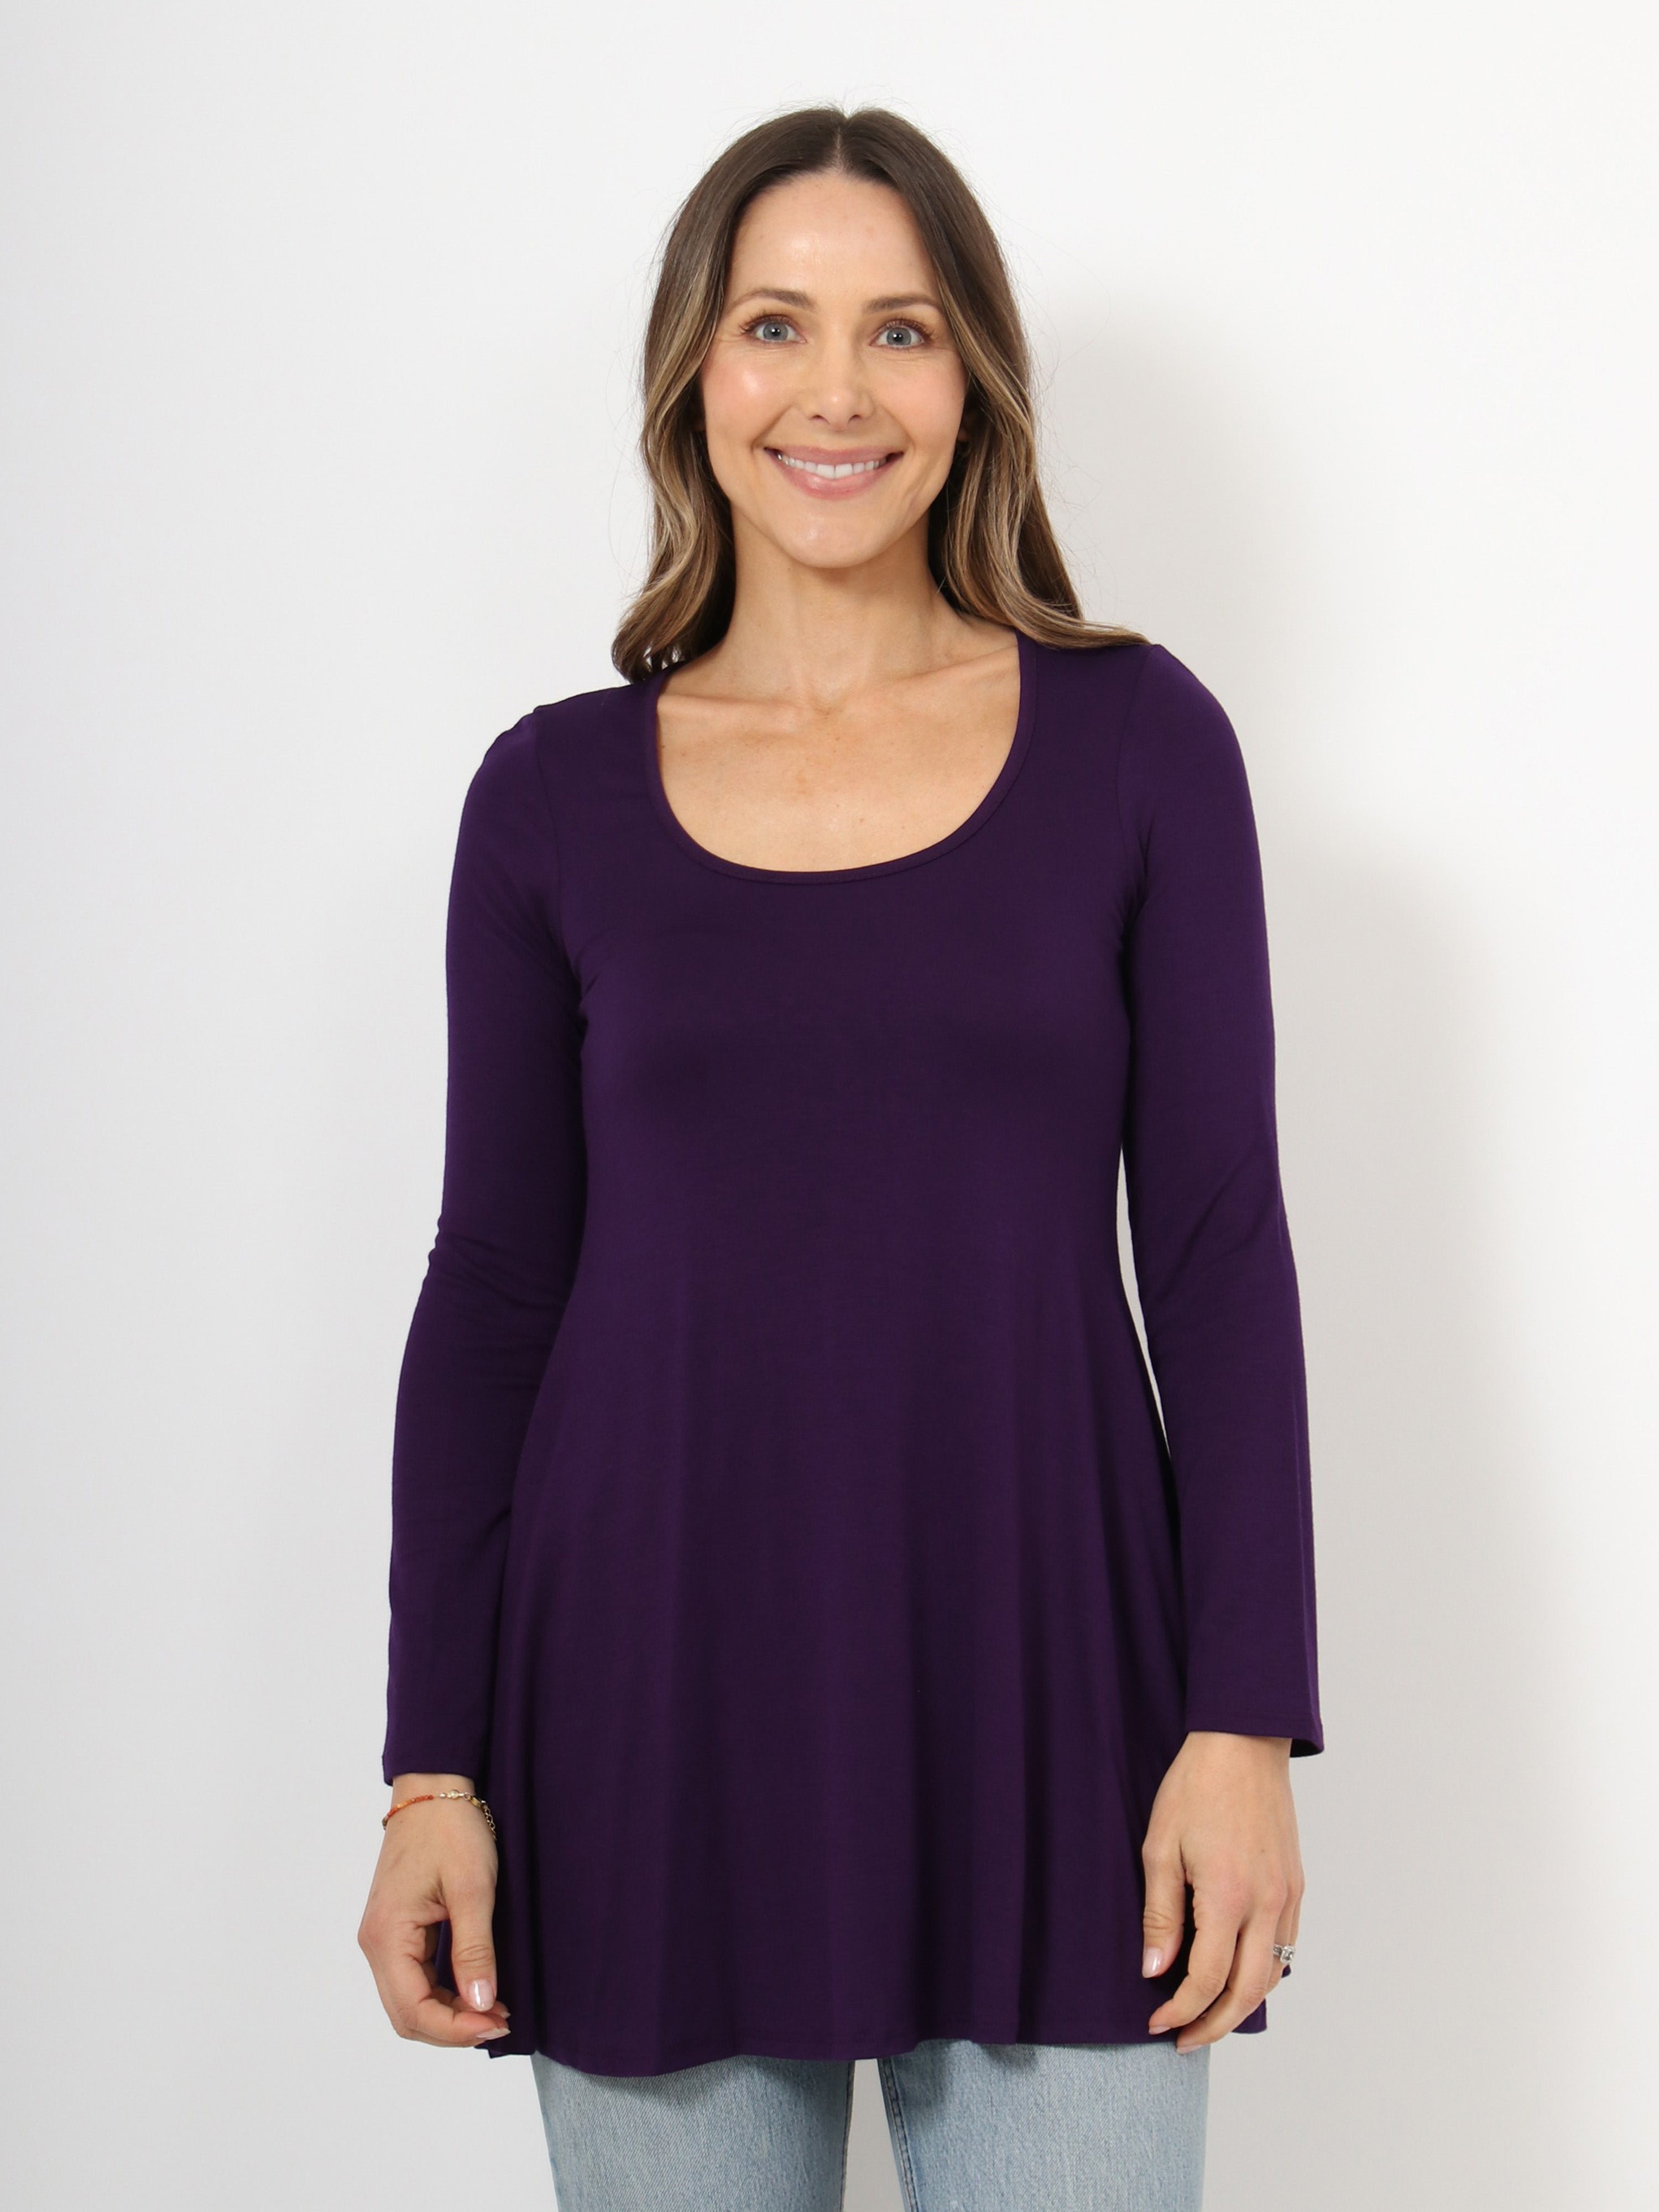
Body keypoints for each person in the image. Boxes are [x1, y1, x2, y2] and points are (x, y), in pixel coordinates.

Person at [357, 105, 1321, 2212]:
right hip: (645, 1709)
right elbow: (494, 1289)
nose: (837, 391)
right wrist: (434, 1771)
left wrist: (1243, 1723)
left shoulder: (1141, 745)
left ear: (972, 381)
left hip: (1056, 1704)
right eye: (775, 325)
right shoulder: (551, 799)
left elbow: (1220, 1249)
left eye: (901, 330)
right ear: (694, 375)